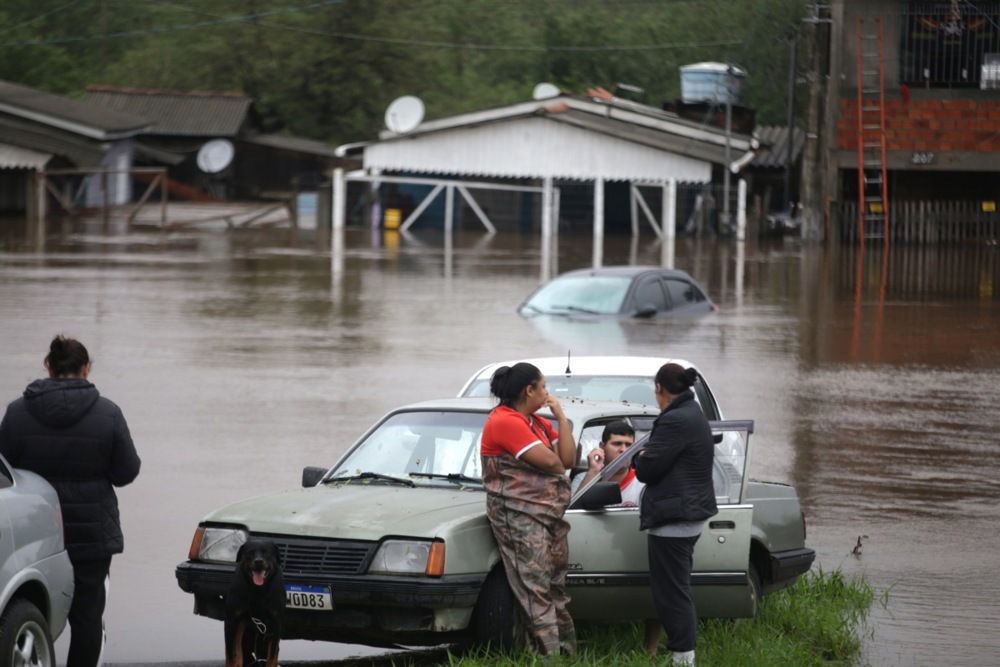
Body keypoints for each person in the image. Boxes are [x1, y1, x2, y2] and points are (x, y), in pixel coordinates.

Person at [0, 335, 141, 667]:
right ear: (86, 368)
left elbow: (4, 470)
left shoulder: (18, 413)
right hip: (91, 534)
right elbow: (126, 472)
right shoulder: (108, 413)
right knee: (87, 616)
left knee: (30, 606)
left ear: (49, 367)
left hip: (34, 528)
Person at [480, 362, 577, 655]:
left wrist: (560, 416)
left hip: (547, 515)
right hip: (521, 516)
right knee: (534, 589)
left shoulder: (536, 421)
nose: (548, 393)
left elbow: (568, 460)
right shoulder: (505, 421)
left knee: (555, 586)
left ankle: (567, 654)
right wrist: (557, 459)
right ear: (529, 390)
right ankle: (548, 657)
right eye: (544, 386)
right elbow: (553, 464)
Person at [634, 363, 717, 666]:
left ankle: (683, 657)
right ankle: (683, 654)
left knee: (672, 593)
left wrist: (641, 456)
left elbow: (646, 470)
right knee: (677, 588)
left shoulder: (674, 421)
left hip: (674, 517)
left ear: (659, 388)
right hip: (688, 514)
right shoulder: (693, 413)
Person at [570, 420, 643, 507]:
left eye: (628, 445)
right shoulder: (582, 478)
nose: (623, 450)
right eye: (617, 444)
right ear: (602, 446)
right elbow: (572, 512)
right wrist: (593, 472)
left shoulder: (642, 482)